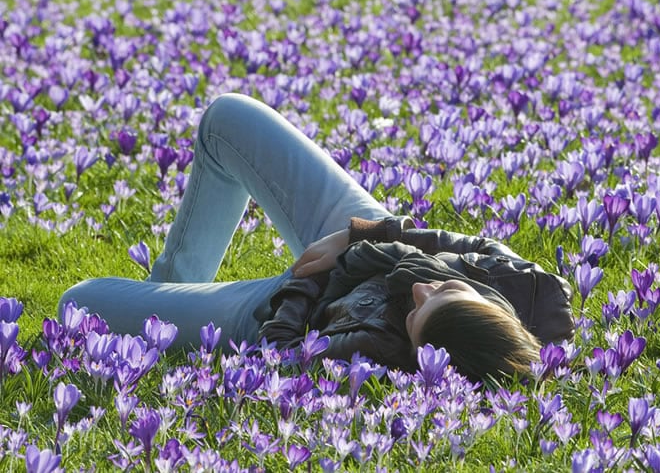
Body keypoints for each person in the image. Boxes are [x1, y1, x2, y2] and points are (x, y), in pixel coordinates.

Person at [59, 93, 574, 382]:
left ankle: (159, 314)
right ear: (491, 306)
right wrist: (352, 237)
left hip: (285, 305)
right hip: (360, 242)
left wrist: (307, 285)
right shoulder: (534, 290)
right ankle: (171, 285)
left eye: (418, 315)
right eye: (443, 290)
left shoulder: (382, 351)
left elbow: (283, 353)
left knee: (76, 305)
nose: (419, 292)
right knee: (226, 118)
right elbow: (443, 243)